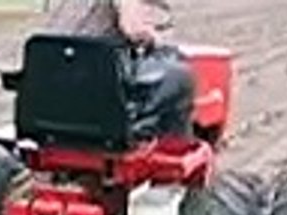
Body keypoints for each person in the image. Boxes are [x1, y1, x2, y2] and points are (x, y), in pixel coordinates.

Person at [44, 0, 194, 139]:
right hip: (94, 92)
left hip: (55, 93)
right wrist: (156, 39)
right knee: (179, 76)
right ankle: (165, 143)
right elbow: (134, 29)